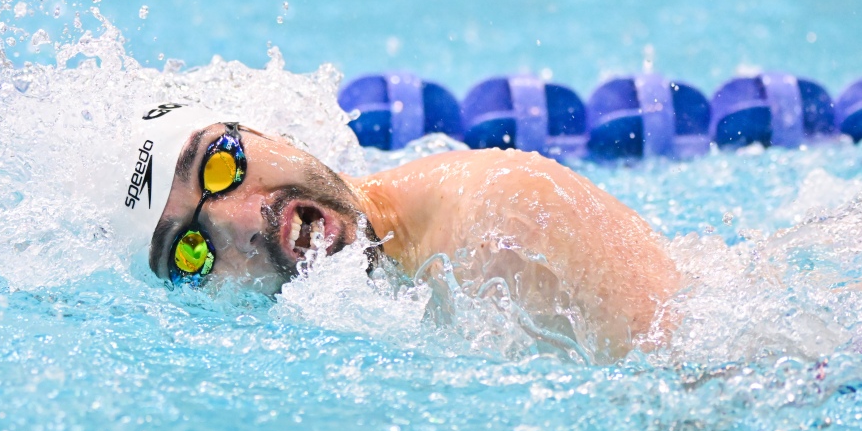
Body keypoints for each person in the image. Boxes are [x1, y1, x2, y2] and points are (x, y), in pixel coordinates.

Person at [114, 101, 681, 360]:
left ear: (266, 133)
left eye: (221, 166)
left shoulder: (502, 229)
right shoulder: (387, 297)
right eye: (192, 253)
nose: (242, 225)